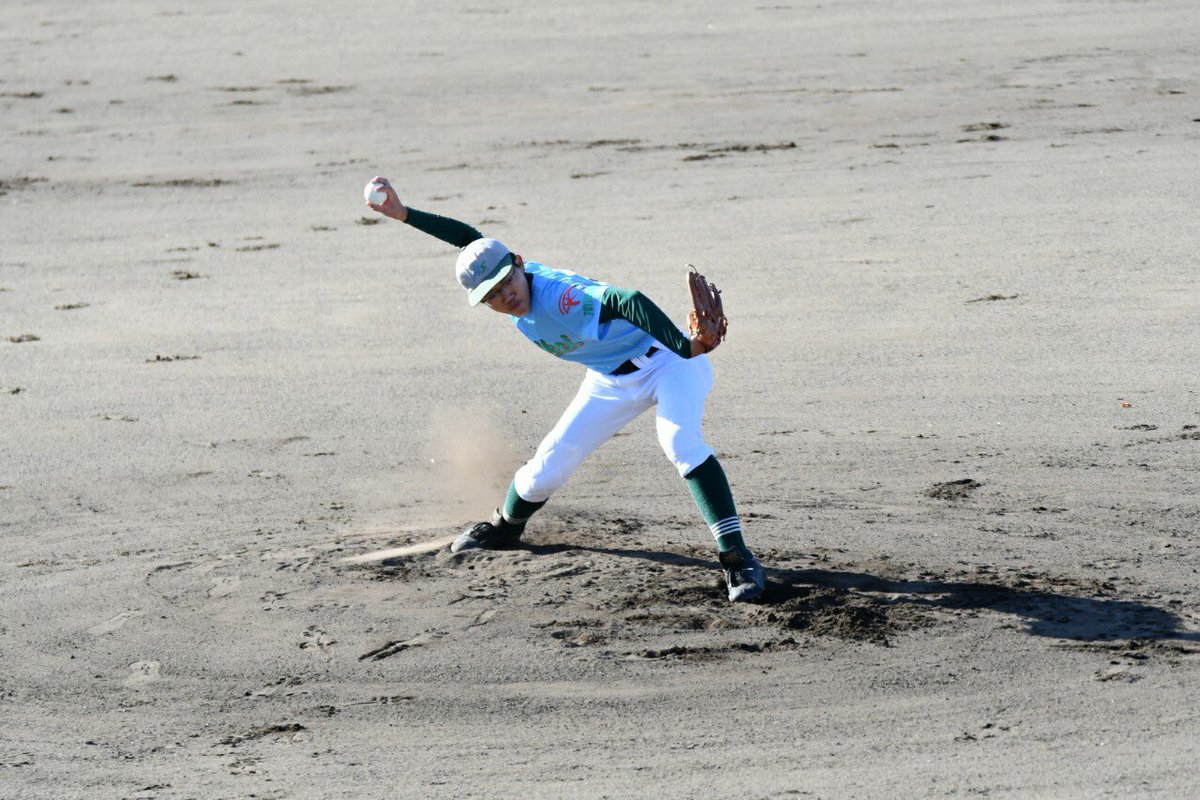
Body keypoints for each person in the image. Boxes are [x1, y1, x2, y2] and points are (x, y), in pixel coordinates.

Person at [364, 177, 766, 602]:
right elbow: (470, 240)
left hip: (670, 362)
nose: (506, 297)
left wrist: (687, 346)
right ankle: (506, 526)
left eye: (507, 283)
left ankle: (737, 556)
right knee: (547, 466)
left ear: (519, 263)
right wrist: (403, 214)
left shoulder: (561, 297)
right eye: (492, 295)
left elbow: (627, 298)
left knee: (678, 440)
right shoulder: (509, 272)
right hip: (610, 379)